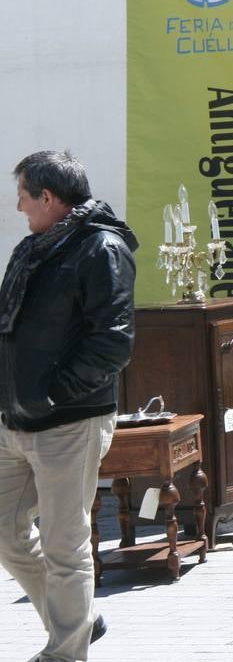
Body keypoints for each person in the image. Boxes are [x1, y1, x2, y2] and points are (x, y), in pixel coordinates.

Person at [0, 151, 137, 661]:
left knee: (65, 546)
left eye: (23, 196)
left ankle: (66, 652)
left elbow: (113, 344)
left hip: (68, 422)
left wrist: (53, 392)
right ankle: (80, 621)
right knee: (6, 532)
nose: (18, 206)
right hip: (14, 419)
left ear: (49, 198)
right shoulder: (35, 247)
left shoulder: (102, 248)